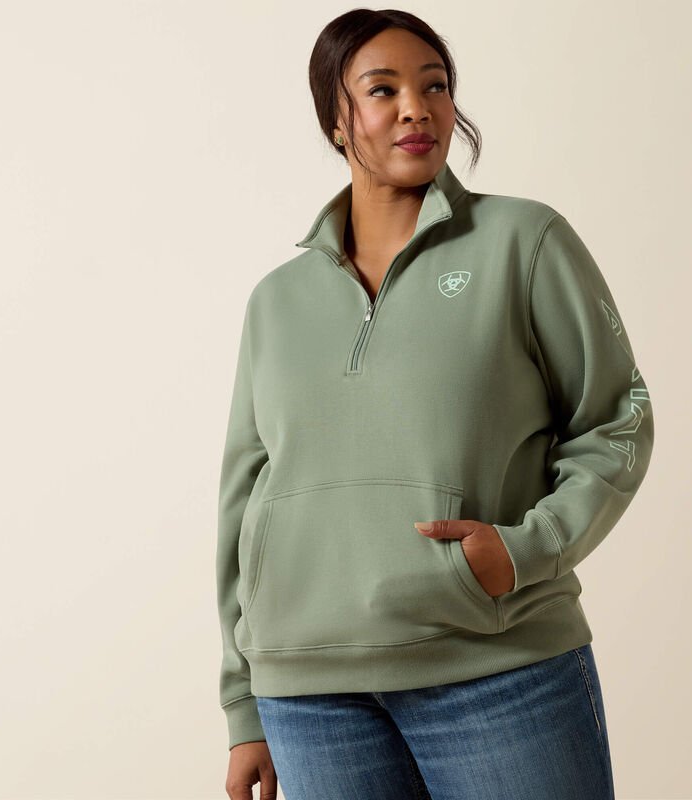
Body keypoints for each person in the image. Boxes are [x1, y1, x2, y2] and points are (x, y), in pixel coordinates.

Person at [216, 9, 654, 800]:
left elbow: (617, 417)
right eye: (383, 90)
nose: (417, 108)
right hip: (309, 696)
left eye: (436, 86)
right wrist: (243, 701)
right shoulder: (276, 301)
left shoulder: (523, 241)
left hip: (497, 667)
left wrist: (527, 550)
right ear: (336, 118)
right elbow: (245, 495)